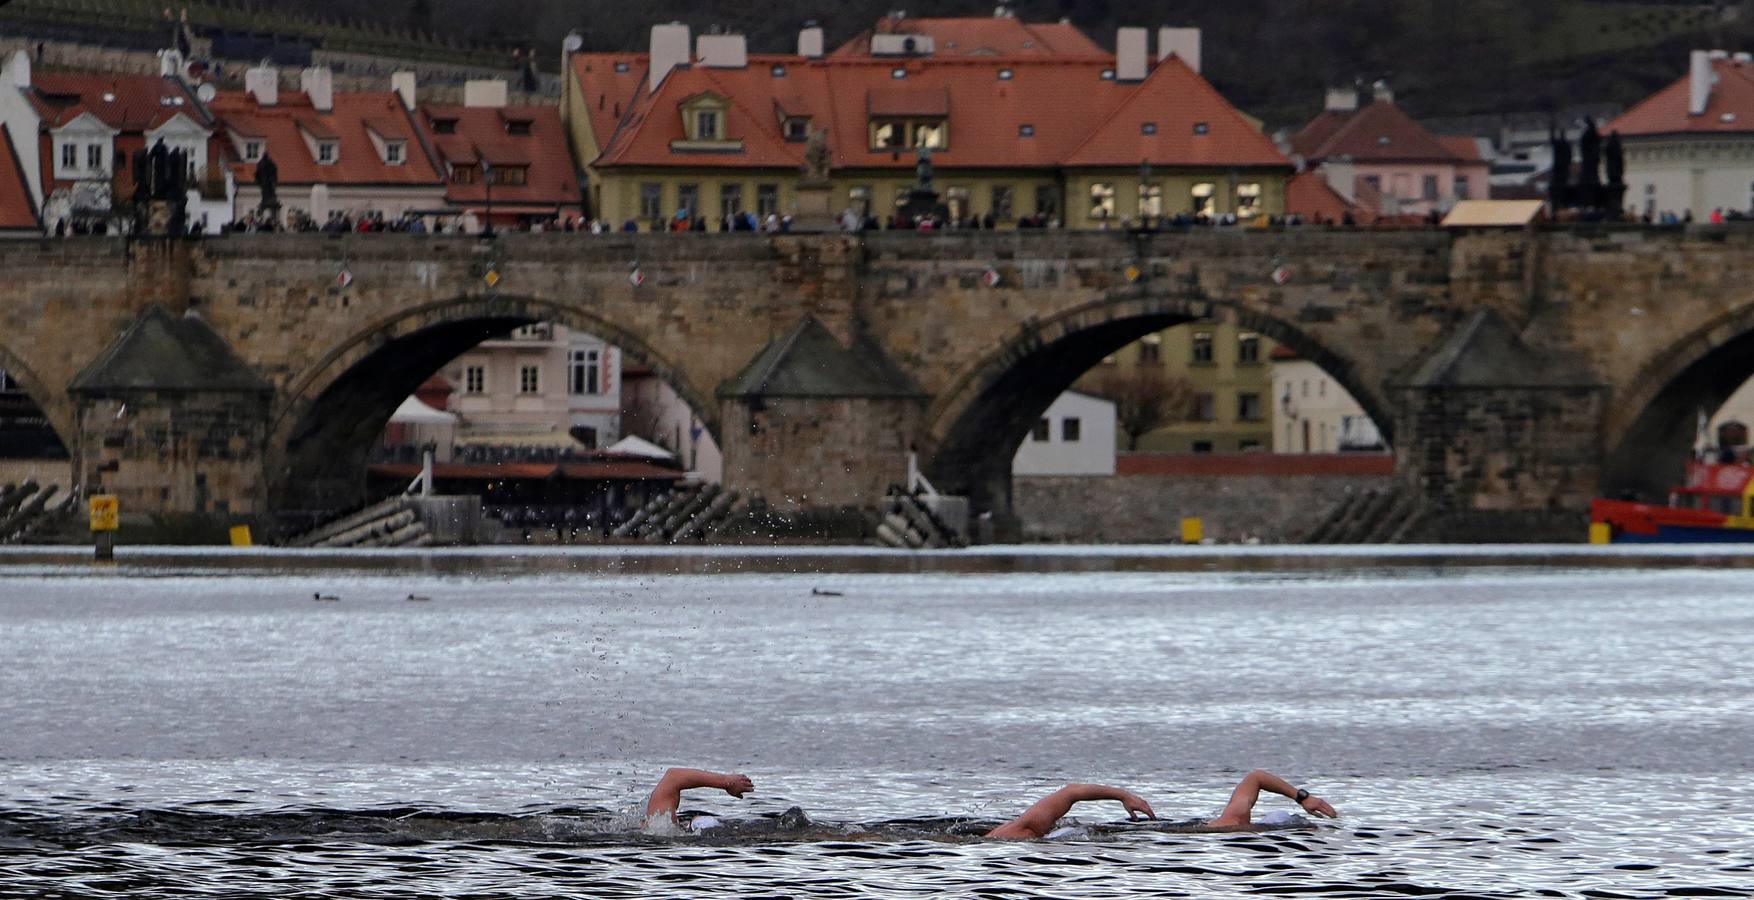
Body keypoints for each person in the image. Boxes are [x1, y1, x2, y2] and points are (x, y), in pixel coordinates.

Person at [986, 769, 1336, 840]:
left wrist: (1304, 798)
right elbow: (1256, 776)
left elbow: (1256, 777)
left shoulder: (1233, 821)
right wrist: (1303, 798)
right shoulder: (1233, 825)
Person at [644, 767, 754, 831]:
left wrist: (727, 782)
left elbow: (673, 777)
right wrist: (727, 782)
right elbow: (673, 777)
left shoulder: (659, 827)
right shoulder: (660, 827)